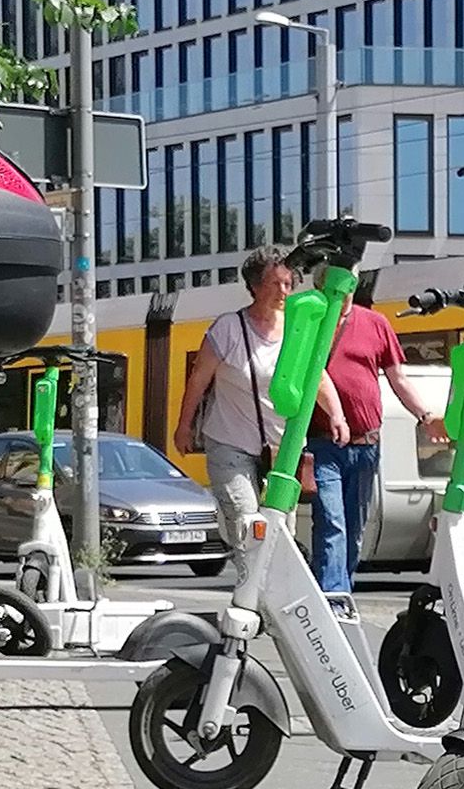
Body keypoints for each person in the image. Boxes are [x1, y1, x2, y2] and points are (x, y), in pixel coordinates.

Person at [306, 290, 439, 598]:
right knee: (331, 524)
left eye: (350, 284)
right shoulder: (313, 322)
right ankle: (333, 597)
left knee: (354, 529)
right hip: (325, 444)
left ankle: (341, 591)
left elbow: (398, 379)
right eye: (337, 285)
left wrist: (425, 415)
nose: (344, 292)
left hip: (367, 445)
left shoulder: (376, 323)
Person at [177, 249, 292, 558]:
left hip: (282, 447)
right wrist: (184, 426)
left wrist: (337, 416)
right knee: (248, 521)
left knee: (282, 531)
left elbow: (317, 377)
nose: (284, 291)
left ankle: (273, 600)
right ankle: (249, 593)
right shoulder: (228, 328)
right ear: (254, 286)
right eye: (275, 283)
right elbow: (199, 379)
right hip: (230, 442)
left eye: (288, 283)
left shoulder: (296, 328)